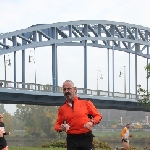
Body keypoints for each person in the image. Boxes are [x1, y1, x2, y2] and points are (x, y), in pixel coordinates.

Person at [55, 80, 102, 150]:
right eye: (64, 89)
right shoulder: (62, 108)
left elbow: (98, 116)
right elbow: (57, 125)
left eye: (69, 88)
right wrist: (60, 128)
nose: (67, 91)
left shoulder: (86, 102)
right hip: (72, 139)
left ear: (74, 89)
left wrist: (91, 122)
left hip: (85, 138)